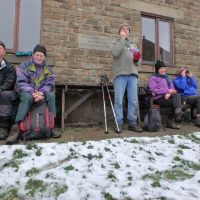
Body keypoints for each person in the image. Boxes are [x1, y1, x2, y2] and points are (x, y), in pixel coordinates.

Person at [6, 44, 61, 144]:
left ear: (44, 57)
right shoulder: (24, 66)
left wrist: (41, 93)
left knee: (51, 96)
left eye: (41, 55)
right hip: (26, 92)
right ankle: (16, 129)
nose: (39, 57)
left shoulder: (49, 70)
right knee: (27, 97)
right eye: (37, 55)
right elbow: (21, 82)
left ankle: (50, 127)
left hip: (41, 93)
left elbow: (49, 84)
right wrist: (32, 92)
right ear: (33, 55)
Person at [111, 23, 143, 133]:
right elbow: (115, 53)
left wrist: (137, 58)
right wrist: (122, 39)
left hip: (133, 75)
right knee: (119, 100)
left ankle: (132, 123)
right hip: (120, 74)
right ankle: (118, 123)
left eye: (127, 29)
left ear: (129, 32)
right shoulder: (116, 42)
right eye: (123, 29)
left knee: (133, 100)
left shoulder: (133, 44)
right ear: (119, 32)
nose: (125, 30)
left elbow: (138, 62)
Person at [147, 60, 184, 129]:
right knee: (174, 102)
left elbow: (172, 88)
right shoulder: (153, 78)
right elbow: (153, 90)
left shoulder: (166, 77)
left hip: (167, 97)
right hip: (158, 98)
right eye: (161, 69)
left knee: (177, 95)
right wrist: (167, 91)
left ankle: (176, 112)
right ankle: (171, 120)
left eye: (164, 68)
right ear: (157, 70)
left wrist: (169, 93)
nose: (163, 70)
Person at [0, 41, 16, 139]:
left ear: (4, 52)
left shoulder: (9, 68)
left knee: (5, 95)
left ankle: (3, 128)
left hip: (6, 92)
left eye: (0, 48)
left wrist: (0, 89)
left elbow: (9, 83)